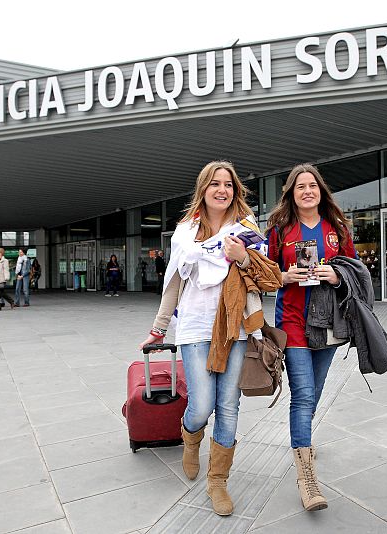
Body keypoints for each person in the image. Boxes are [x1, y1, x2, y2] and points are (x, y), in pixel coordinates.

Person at [138, 160, 279, 517]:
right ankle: (190, 437)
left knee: (228, 406)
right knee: (201, 406)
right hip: (195, 328)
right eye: (215, 183)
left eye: (228, 185)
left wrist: (242, 256)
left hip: (237, 328)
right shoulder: (186, 232)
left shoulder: (245, 229)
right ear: (204, 189)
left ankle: (218, 481)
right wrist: (158, 328)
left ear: (235, 191)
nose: (222, 190)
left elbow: (265, 276)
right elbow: (173, 283)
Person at [265, 163, 356, 512]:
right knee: (303, 396)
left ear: (321, 191)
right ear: (291, 193)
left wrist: (334, 275)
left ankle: (303, 441)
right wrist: (285, 276)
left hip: (329, 323)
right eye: (300, 186)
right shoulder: (280, 230)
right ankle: (307, 477)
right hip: (292, 322)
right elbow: (265, 271)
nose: (307, 190)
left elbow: (355, 270)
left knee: (314, 393)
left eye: (312, 185)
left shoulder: (337, 228)